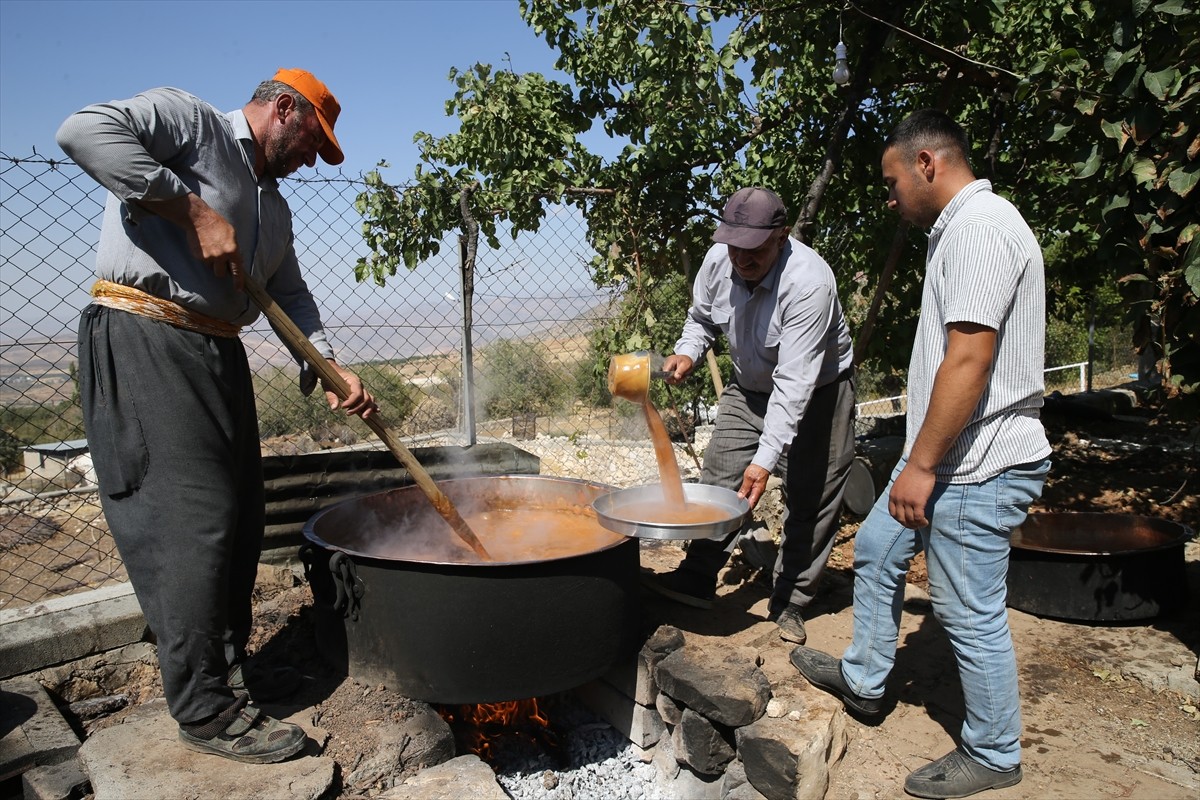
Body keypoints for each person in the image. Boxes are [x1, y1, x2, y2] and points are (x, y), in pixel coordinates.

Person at [56, 68, 377, 764]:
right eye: (309, 144)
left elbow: (290, 294)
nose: (307, 161)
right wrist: (193, 211)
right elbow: (82, 132)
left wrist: (328, 369)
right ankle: (205, 711)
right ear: (283, 110)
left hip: (217, 352)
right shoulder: (192, 123)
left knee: (239, 520)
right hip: (148, 335)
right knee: (190, 524)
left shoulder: (274, 208)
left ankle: (226, 680)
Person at [789, 109, 1052, 799]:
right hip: (953, 456)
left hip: (980, 461)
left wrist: (923, 466)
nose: (889, 194)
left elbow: (969, 359)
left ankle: (994, 751)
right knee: (877, 546)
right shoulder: (960, 232)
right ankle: (866, 679)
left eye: (890, 179)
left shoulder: (980, 230)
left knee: (967, 610)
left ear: (927, 163)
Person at [644, 187, 857, 646]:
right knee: (719, 479)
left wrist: (764, 460)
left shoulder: (808, 284)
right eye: (734, 246)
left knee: (811, 496)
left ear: (781, 236)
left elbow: (795, 384)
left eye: (754, 248)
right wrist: (688, 352)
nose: (742, 258)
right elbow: (701, 318)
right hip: (748, 386)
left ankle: (791, 600)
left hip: (819, 392)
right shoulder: (720, 260)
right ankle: (697, 576)